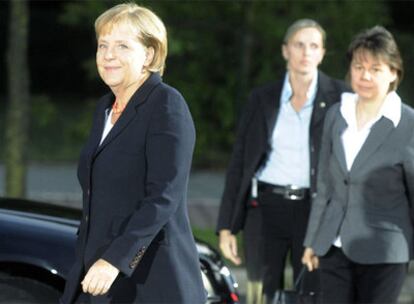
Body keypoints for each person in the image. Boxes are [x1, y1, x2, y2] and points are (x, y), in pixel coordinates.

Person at [60, 3, 205, 303]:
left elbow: (164, 196)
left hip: (151, 281)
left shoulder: (165, 104)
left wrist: (115, 260)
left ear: (149, 55)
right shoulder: (104, 109)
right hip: (96, 275)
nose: (108, 55)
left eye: (122, 46)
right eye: (103, 45)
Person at [216, 19, 349, 303]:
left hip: (315, 210)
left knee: (312, 290)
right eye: (299, 44)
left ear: (322, 53)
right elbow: (241, 162)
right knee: (261, 294)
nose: (306, 52)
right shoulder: (262, 98)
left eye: (314, 46)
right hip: (265, 208)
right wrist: (227, 225)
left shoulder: (341, 98)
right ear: (285, 50)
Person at [302, 25, 414, 303]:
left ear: (393, 74)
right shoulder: (336, 115)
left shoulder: (408, 124)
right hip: (333, 246)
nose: (365, 75)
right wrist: (313, 240)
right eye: (358, 66)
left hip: (385, 251)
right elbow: (324, 186)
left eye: (375, 69)